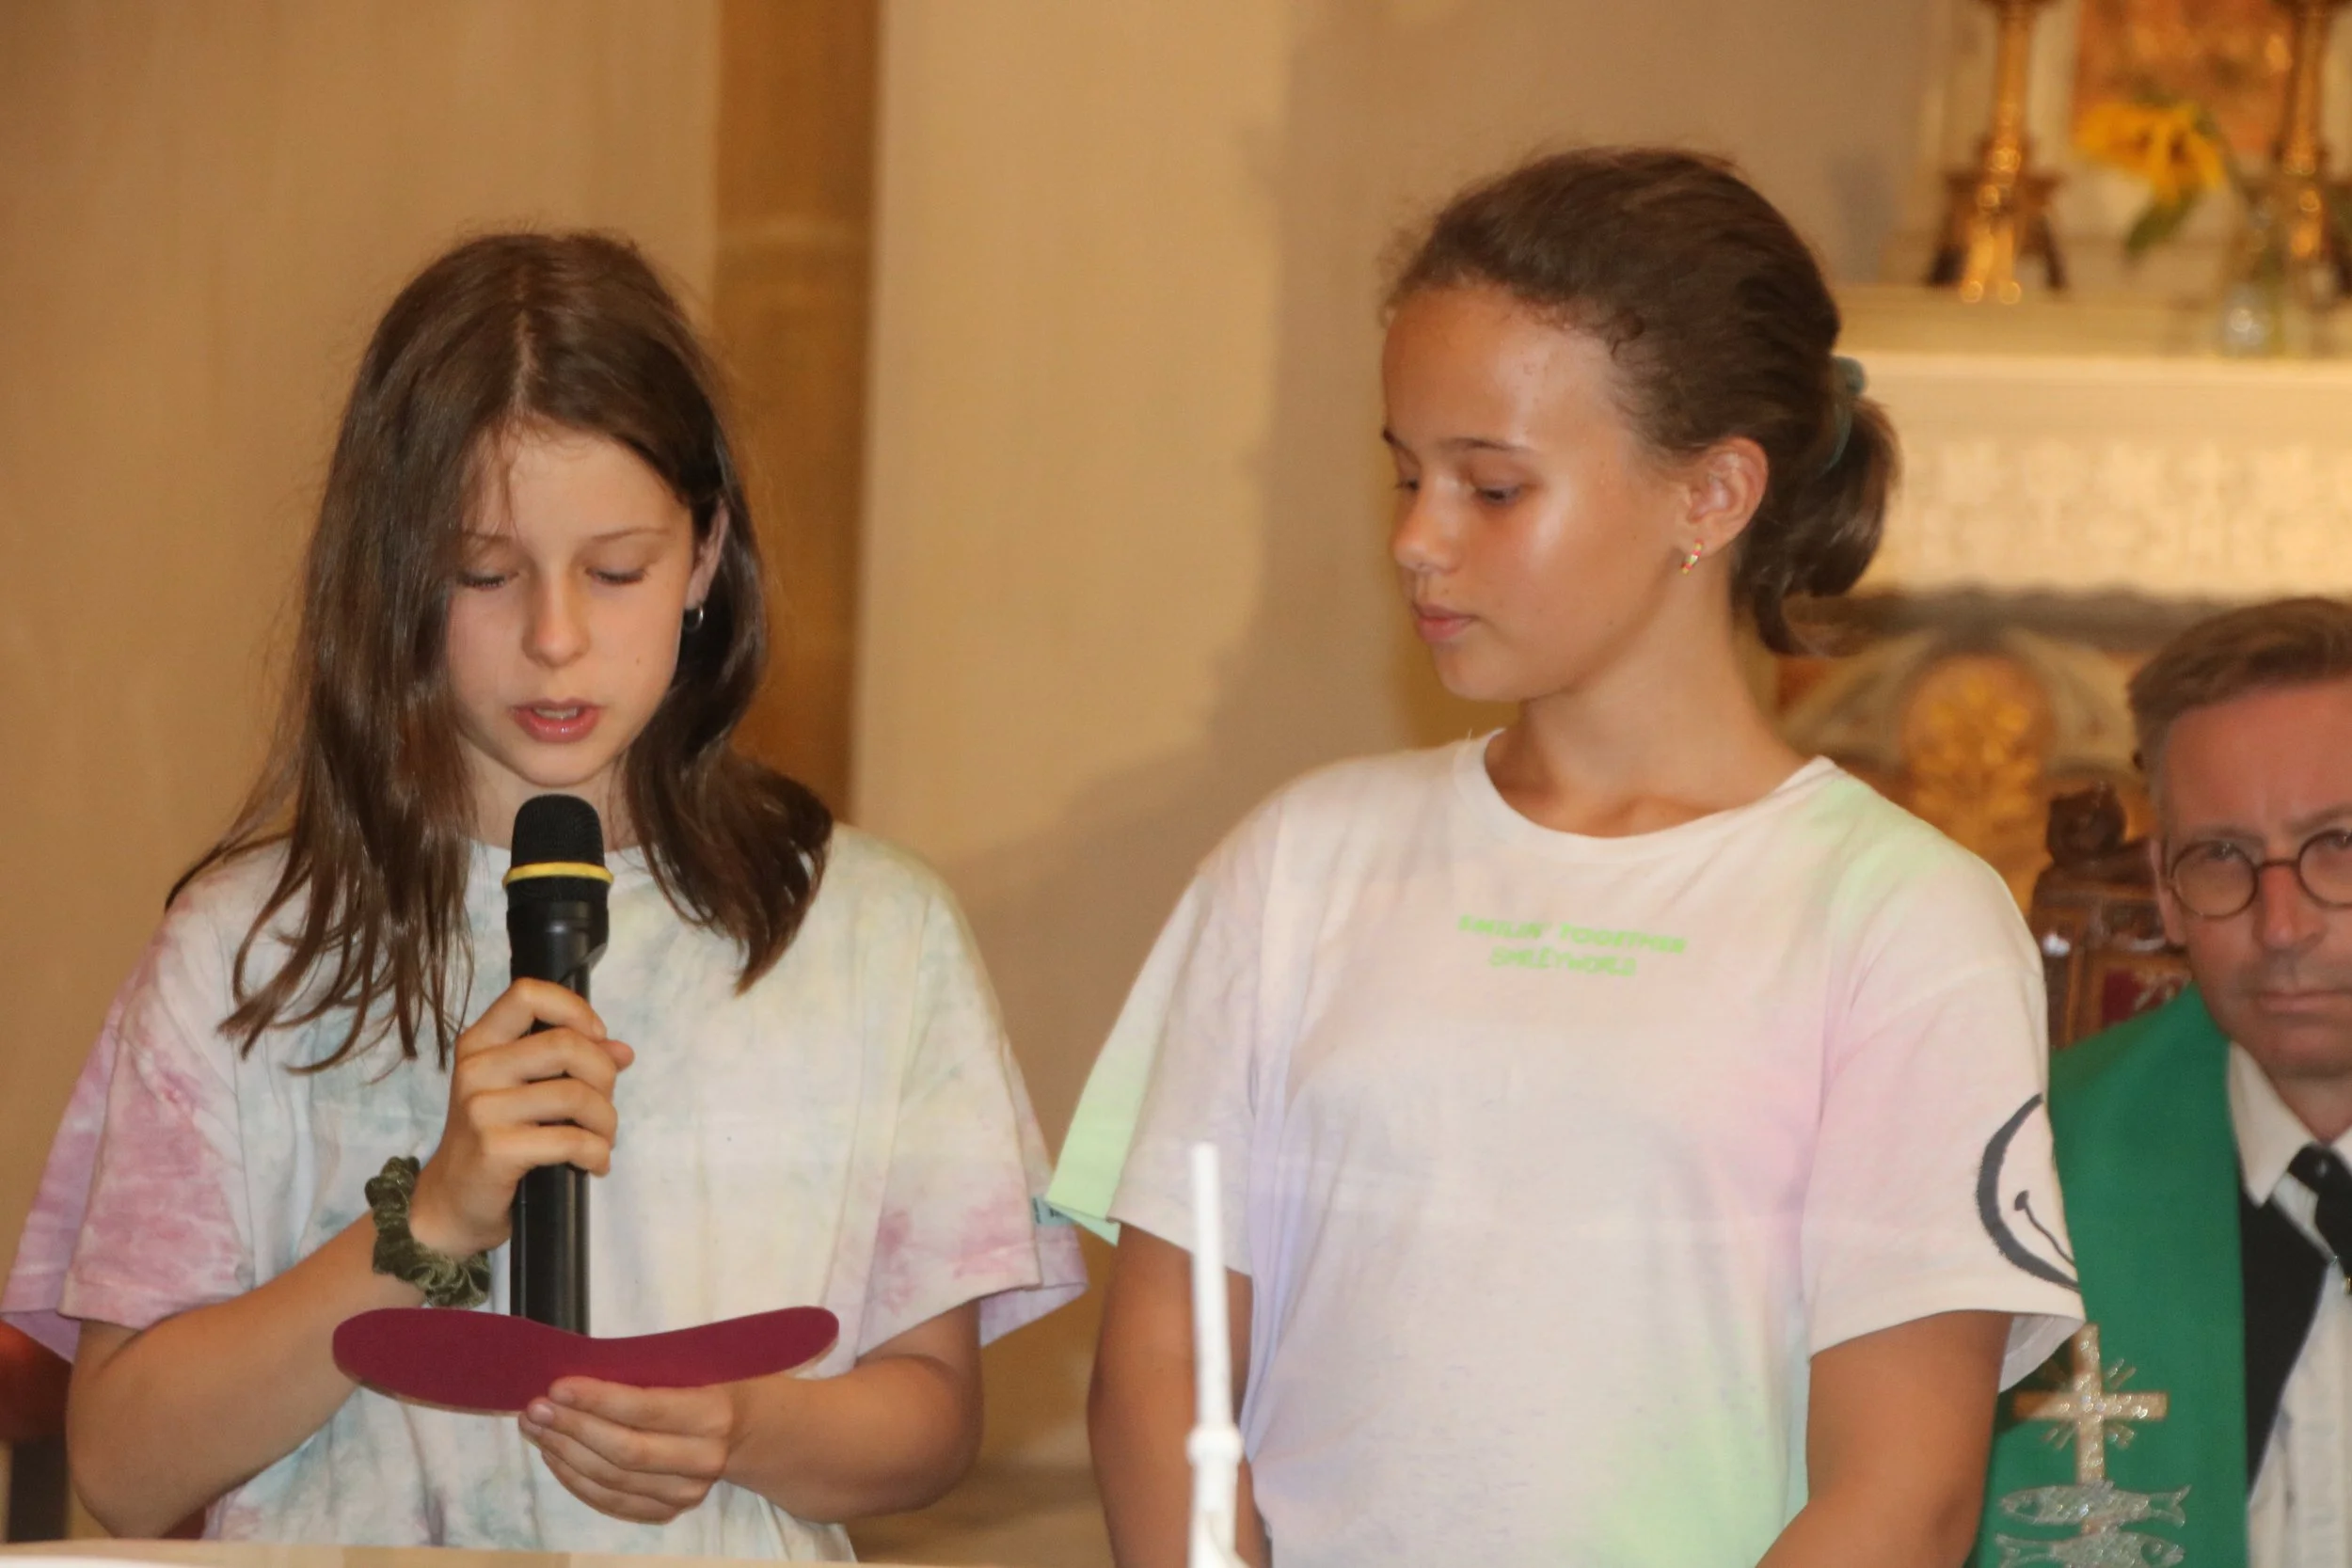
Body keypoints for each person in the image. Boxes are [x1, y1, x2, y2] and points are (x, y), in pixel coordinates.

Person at [1050, 148, 2085, 1568]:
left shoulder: (1902, 919)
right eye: (1406, 474)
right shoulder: (1301, 862)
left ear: (1711, 494)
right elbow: (1164, 1364)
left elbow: (1901, 1492)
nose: (1416, 540)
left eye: (1491, 487)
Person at [0, 231, 1083, 1558]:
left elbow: (931, 1414)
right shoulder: (247, 950)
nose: (555, 636)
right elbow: (122, 1464)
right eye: (485, 572)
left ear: (705, 557)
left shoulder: (868, 934)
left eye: (617, 569)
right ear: (398, 570)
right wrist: (428, 1220)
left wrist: (743, 1425)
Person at [1977, 598, 2352, 1568]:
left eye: (2340, 846)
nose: (2281, 925)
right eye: (2221, 855)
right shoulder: (2026, 1173)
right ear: (2164, 888)